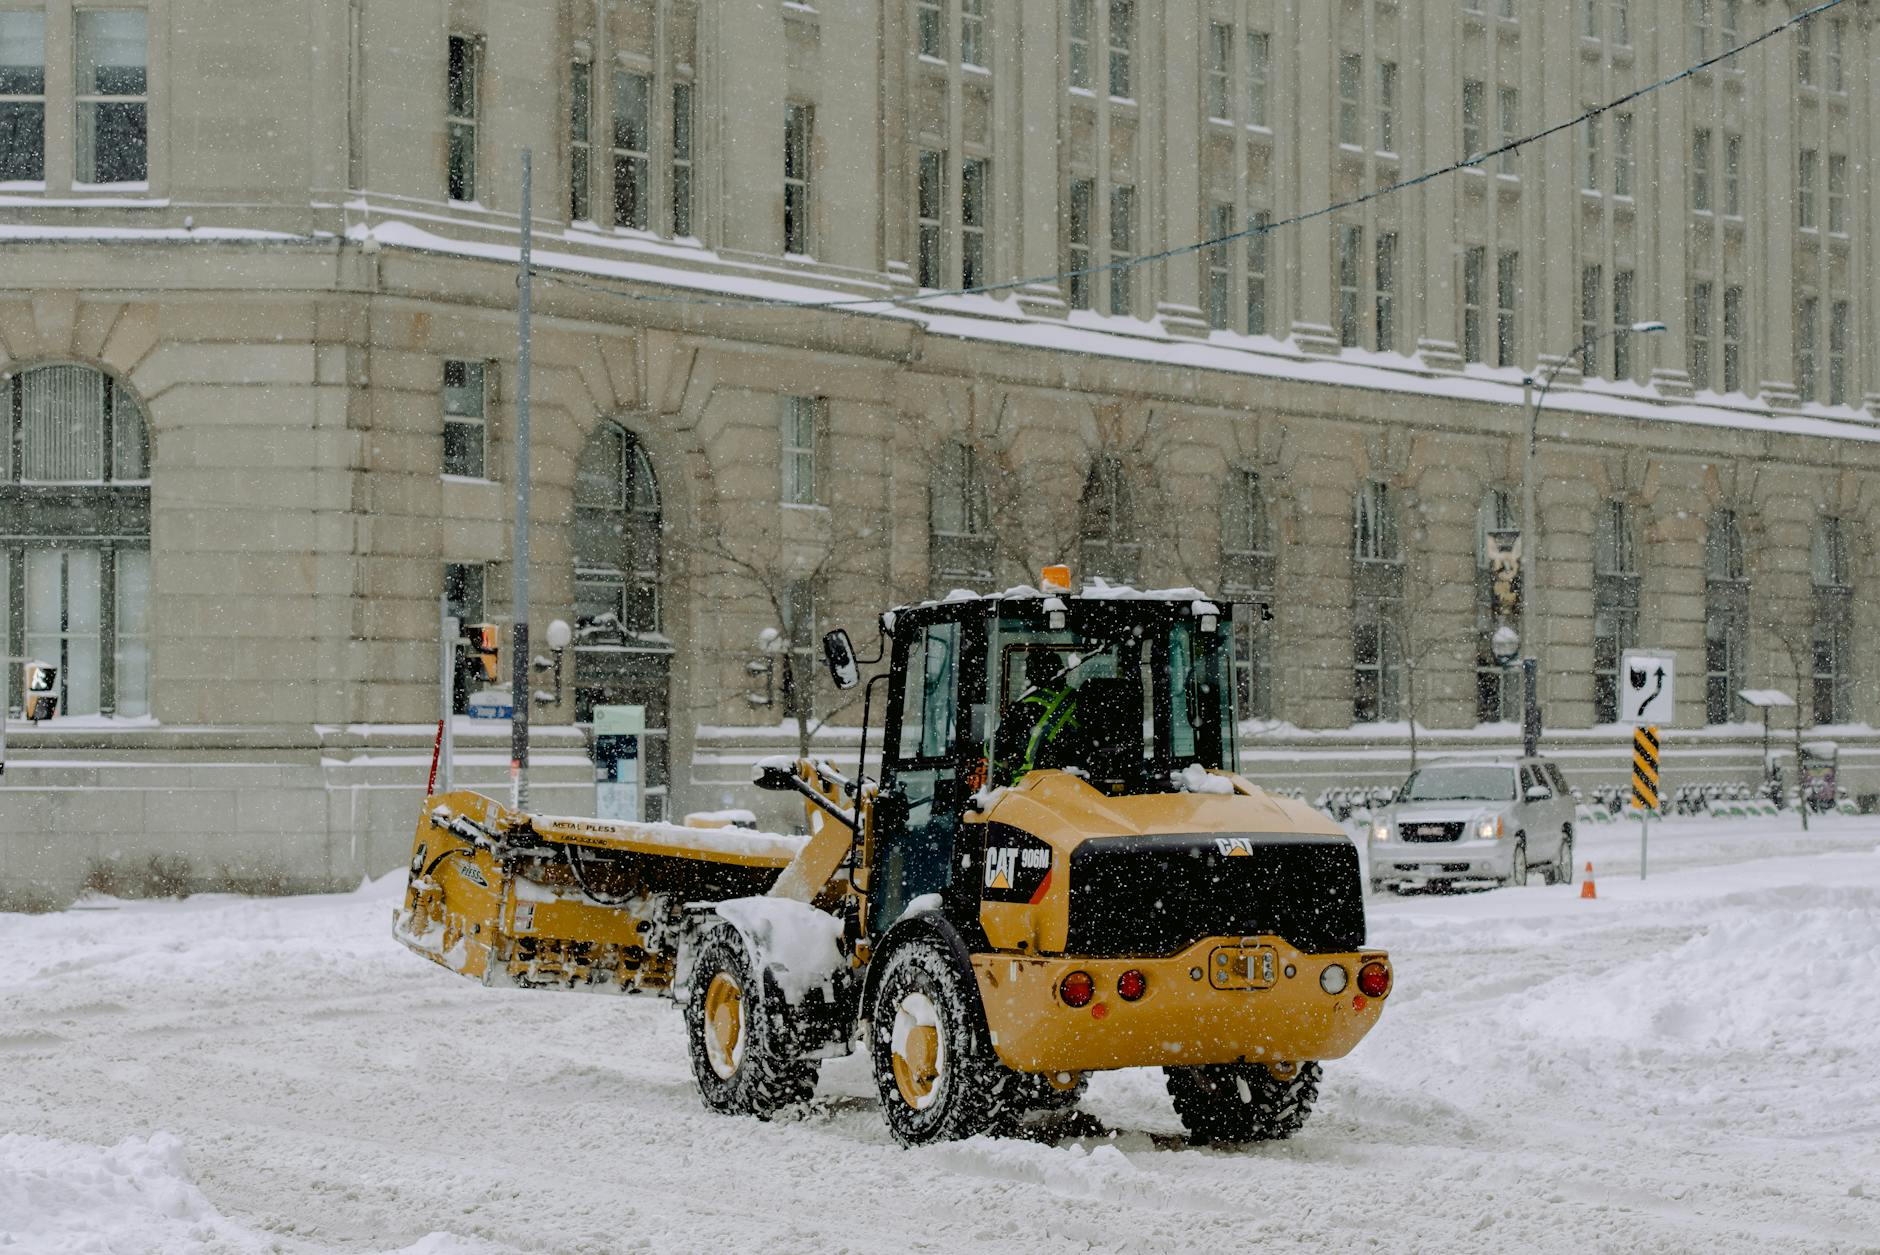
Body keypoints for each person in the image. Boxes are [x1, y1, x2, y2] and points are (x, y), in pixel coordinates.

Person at [991, 650, 1080, 786]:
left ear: (1030, 675)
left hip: (1027, 788)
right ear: (1062, 672)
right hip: (1074, 786)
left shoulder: (1021, 709)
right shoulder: (1079, 702)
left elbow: (996, 751)